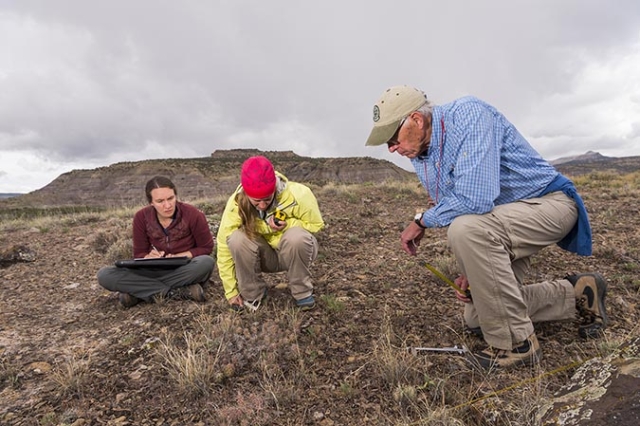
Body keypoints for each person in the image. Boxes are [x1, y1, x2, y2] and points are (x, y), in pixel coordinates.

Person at [365, 85, 608, 370]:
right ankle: (577, 292)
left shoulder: (469, 115)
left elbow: (474, 200)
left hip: (549, 204)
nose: (393, 149)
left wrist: (421, 221)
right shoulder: (422, 155)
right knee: (480, 318)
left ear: (416, 120)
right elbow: (457, 206)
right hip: (503, 219)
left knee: (466, 230)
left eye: (393, 139)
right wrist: (474, 270)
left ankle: (518, 344)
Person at [217, 155, 324, 311]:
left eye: (267, 199)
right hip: (264, 257)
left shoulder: (300, 194)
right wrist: (231, 291)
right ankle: (253, 294)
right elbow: (223, 246)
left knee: (296, 237)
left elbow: (316, 225)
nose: (261, 205)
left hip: (295, 252)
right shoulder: (235, 204)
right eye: (256, 200)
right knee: (236, 239)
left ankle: (302, 293)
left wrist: (289, 224)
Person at [98, 176, 215, 308]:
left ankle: (138, 292)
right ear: (151, 203)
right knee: (105, 275)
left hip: (184, 268)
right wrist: (147, 257)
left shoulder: (193, 214)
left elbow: (206, 247)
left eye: (170, 198)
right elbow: (139, 253)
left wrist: (181, 256)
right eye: (160, 201)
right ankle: (176, 292)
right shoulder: (141, 217)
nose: (167, 205)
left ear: (176, 195)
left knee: (206, 262)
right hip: (153, 269)